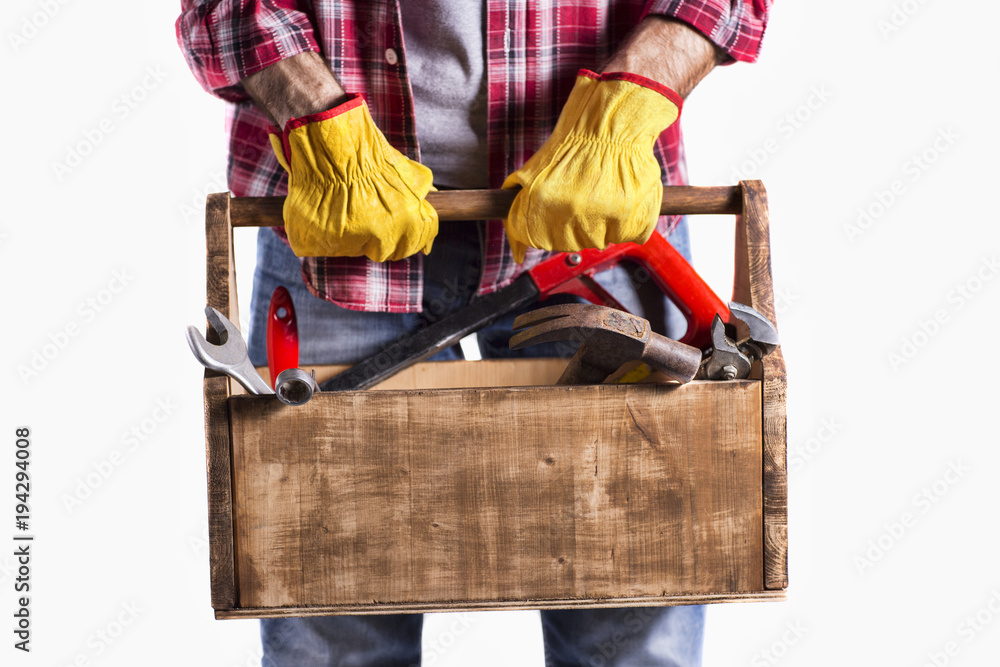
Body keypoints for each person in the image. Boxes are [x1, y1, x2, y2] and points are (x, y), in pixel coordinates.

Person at [177, 1, 769, 664]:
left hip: (594, 211)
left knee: (635, 592)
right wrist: (313, 115)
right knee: (332, 604)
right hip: (337, 212)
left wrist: (630, 103)